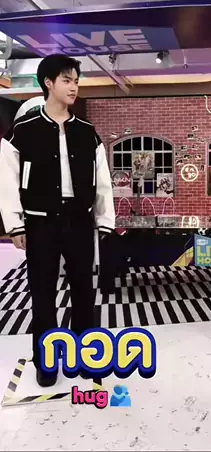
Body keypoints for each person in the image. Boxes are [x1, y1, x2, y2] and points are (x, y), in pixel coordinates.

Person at [0, 54, 115, 385]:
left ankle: (85, 355)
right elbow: (6, 180)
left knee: (83, 292)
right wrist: (15, 224)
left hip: (79, 221)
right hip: (40, 224)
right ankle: (46, 362)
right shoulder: (23, 131)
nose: (74, 87)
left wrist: (105, 218)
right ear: (48, 83)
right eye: (67, 80)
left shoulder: (87, 132)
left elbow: (102, 179)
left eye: (76, 81)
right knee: (42, 295)